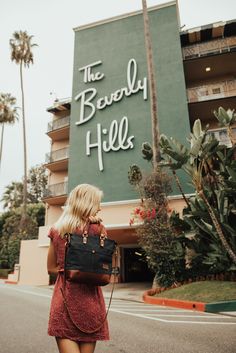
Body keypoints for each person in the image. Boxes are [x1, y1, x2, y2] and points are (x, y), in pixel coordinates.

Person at [47, 183, 109, 353]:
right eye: (97, 203)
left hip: (65, 301)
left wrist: (69, 270)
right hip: (91, 303)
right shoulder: (99, 230)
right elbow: (104, 268)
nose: (100, 208)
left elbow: (51, 268)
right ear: (87, 204)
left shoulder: (57, 230)